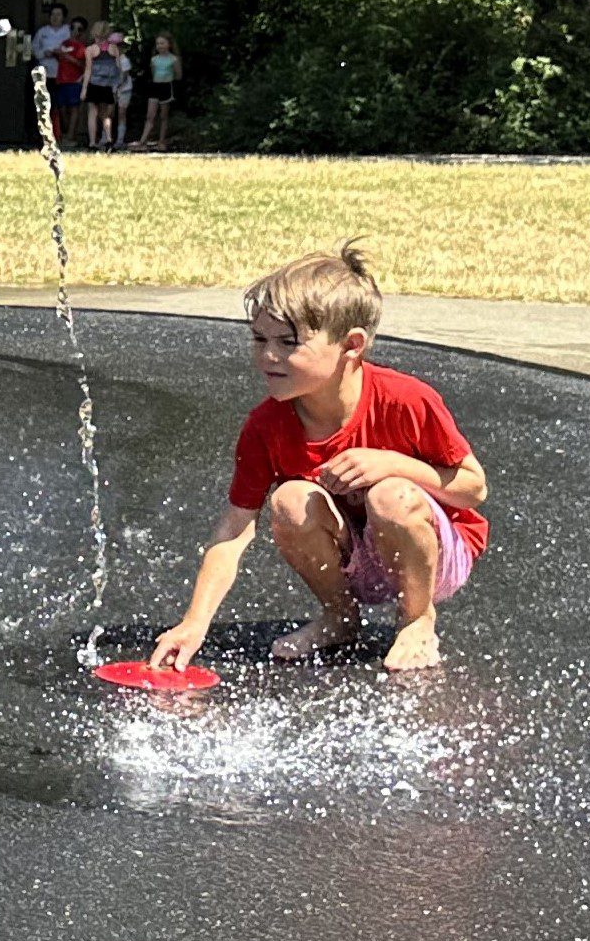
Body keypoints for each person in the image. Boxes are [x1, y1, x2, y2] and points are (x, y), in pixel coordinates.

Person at [149, 245, 489, 677]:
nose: (268, 356)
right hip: (359, 556)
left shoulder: (406, 400)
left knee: (391, 495)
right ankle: (341, 618)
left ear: (351, 345)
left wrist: (394, 464)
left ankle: (416, 619)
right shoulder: (265, 426)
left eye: (288, 343)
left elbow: (473, 488)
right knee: (291, 500)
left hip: (434, 556)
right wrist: (194, 623)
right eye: (259, 339)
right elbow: (233, 531)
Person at [48, 15, 89, 148]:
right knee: (61, 108)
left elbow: (83, 65)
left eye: (79, 29)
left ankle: (71, 136)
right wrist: (55, 53)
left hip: (74, 81)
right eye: (73, 28)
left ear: (83, 32)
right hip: (61, 80)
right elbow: (60, 58)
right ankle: (64, 133)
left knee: (74, 109)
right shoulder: (64, 43)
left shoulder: (82, 48)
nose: (75, 31)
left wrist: (66, 56)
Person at [83, 20, 126, 149]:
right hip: (108, 85)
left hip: (94, 84)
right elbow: (119, 69)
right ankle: (108, 138)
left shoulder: (90, 49)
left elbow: (88, 70)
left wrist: (84, 88)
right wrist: (118, 86)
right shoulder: (114, 49)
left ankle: (92, 141)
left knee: (92, 112)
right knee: (105, 114)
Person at [143, 33, 180, 150]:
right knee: (150, 115)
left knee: (164, 115)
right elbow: (153, 73)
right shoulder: (154, 59)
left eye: (162, 43)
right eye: (158, 43)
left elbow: (178, 75)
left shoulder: (174, 59)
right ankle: (143, 140)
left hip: (167, 87)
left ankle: (161, 141)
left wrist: (169, 79)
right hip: (155, 87)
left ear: (169, 44)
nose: (160, 46)